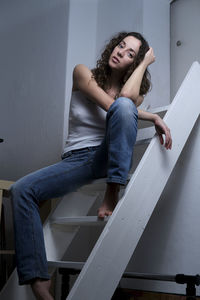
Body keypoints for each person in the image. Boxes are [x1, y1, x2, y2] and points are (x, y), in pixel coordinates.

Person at [10, 31, 172, 299]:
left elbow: (124, 103)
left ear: (134, 64)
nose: (120, 52)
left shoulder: (132, 97)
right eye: (121, 45)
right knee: (21, 190)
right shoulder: (83, 73)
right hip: (78, 160)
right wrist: (153, 116)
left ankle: (113, 189)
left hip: (108, 155)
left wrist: (144, 64)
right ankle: (39, 280)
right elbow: (112, 104)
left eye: (130, 53)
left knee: (125, 107)